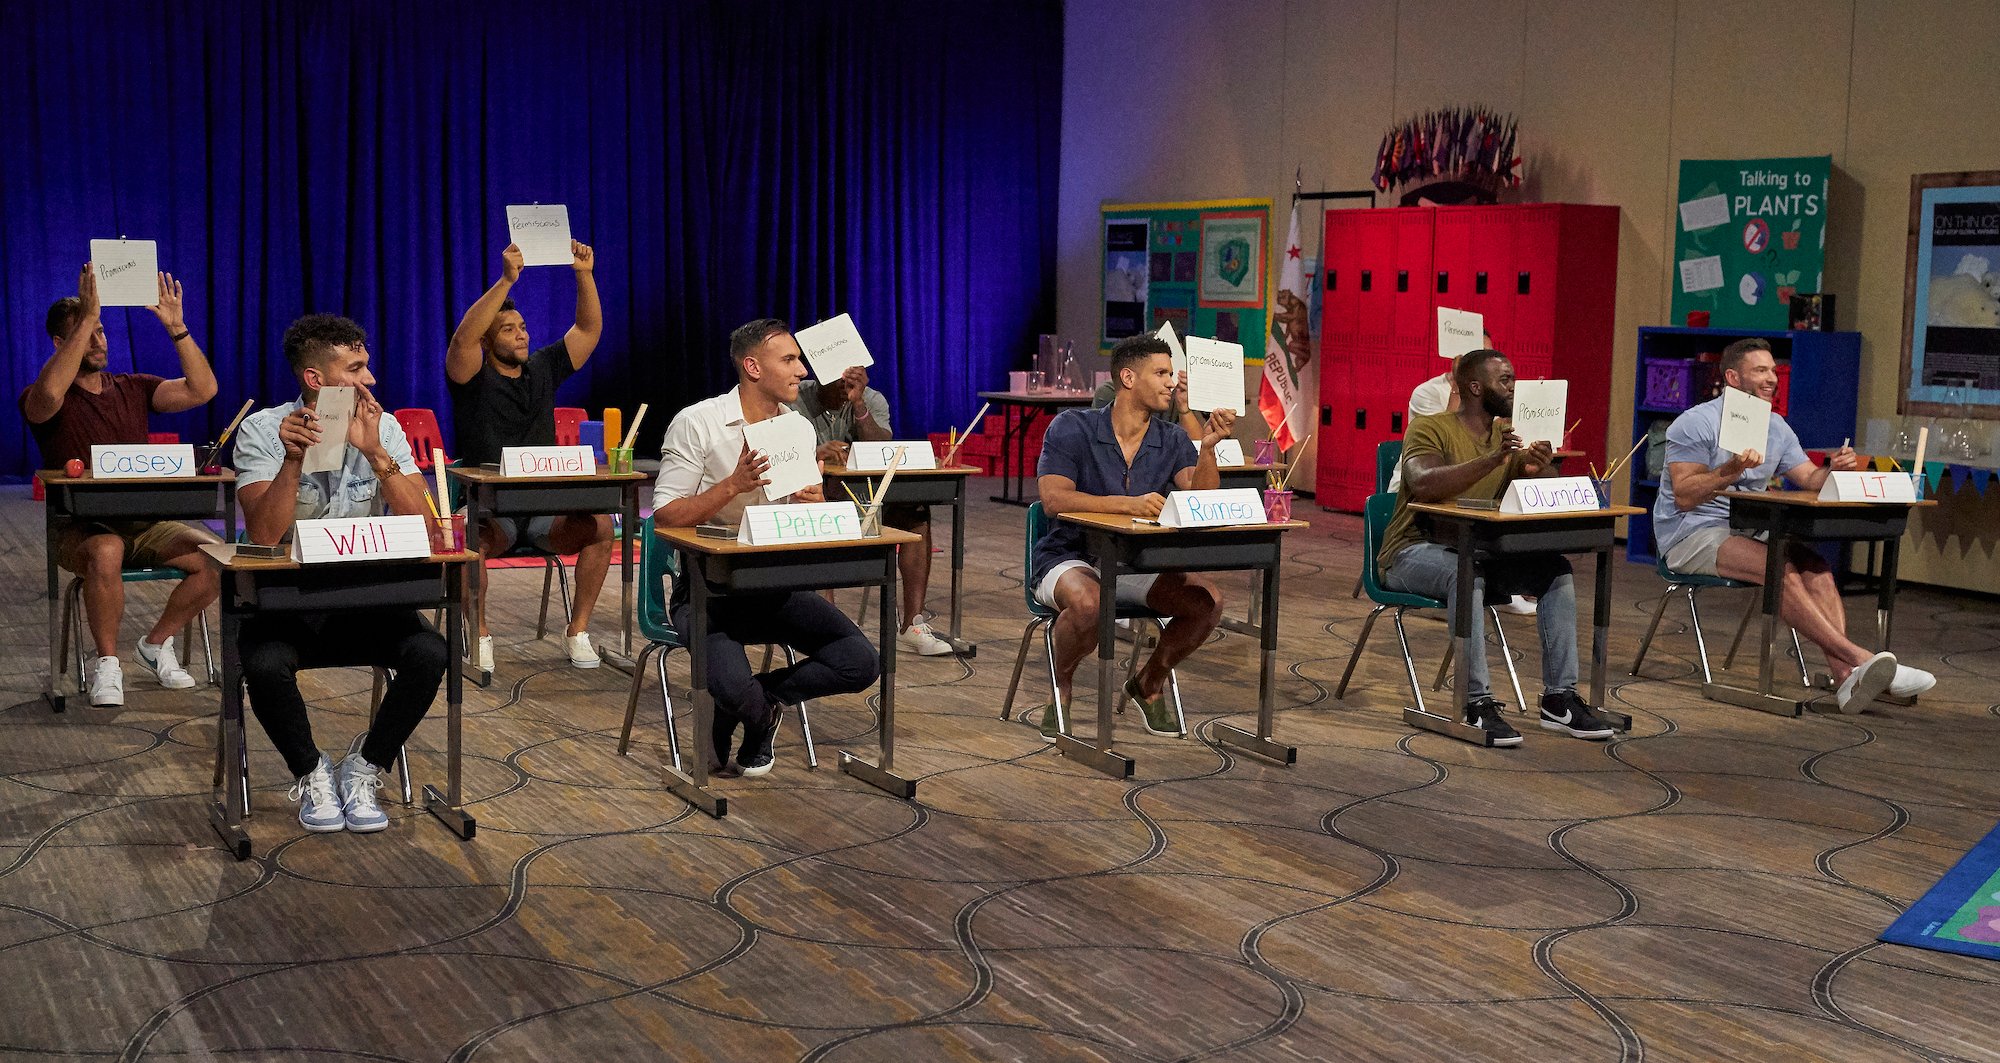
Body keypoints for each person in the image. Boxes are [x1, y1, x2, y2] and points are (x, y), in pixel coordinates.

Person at [232, 314, 448, 833]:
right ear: (315, 379)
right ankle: (312, 772)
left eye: (366, 365)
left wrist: (375, 453)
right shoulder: (262, 430)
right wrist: (291, 462)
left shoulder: (386, 426)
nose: (369, 379)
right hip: (289, 602)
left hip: (367, 597)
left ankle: (365, 766)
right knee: (262, 665)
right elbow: (262, 536)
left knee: (431, 652)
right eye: (355, 368)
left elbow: (427, 526)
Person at [653, 318, 880, 778]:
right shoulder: (699, 422)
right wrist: (731, 486)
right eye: (790, 360)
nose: (802, 370)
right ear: (753, 366)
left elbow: (806, 525)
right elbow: (665, 517)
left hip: (775, 586)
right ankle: (757, 715)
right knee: (736, 691)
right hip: (707, 592)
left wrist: (815, 504)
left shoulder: (796, 427)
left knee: (860, 662)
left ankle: (766, 699)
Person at [1654, 337, 1928, 711]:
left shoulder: (1776, 426)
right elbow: (1684, 494)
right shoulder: (1696, 423)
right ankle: (1861, 657)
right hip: (1691, 532)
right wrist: (1729, 471)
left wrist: (1834, 468)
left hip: (1747, 528)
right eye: (1761, 370)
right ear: (1733, 377)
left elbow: (1810, 478)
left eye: (1773, 370)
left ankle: (1846, 678)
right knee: (1777, 567)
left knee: (1815, 566)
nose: (1772, 378)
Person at [1378, 348, 1618, 746]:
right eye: (1504, 380)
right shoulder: (1432, 428)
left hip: (1478, 548)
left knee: (1555, 570)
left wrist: (1540, 466)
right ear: (1475, 387)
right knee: (1465, 573)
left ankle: (1560, 698)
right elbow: (1423, 483)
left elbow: (1539, 491)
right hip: (1410, 551)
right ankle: (1475, 704)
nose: (1514, 387)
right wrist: (1494, 459)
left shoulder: (1509, 434)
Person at [19, 266, 221, 706]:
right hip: (77, 526)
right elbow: (47, 400)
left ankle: (154, 644)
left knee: (215, 558)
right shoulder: (41, 393)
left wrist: (178, 329)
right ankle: (107, 664)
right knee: (107, 549)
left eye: (101, 330)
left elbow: (203, 389)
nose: (99, 341)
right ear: (60, 343)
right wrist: (88, 315)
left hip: (144, 521)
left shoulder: (133, 387)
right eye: (88, 331)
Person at [1028, 333, 1233, 742]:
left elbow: (1200, 501)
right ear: (1127, 377)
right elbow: (1053, 499)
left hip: (1135, 561)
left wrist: (1208, 448)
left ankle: (1148, 682)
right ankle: (1061, 687)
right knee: (1090, 603)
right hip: (1069, 556)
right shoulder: (1073, 427)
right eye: (1160, 373)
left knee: (1207, 602)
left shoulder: (1172, 438)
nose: (1170, 382)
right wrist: (1127, 504)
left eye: (1171, 373)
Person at [446, 240, 612, 672]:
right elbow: (464, 336)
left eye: (522, 326)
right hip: (491, 514)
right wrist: (506, 280)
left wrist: (583, 274)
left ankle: (577, 631)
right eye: (507, 328)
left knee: (600, 526)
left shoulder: (542, 368)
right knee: (467, 541)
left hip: (543, 513)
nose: (521, 333)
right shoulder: (470, 376)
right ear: (488, 340)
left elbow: (587, 332)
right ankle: (479, 634)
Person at [793, 363, 952, 656]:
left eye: (852, 376)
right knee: (816, 511)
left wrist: (859, 404)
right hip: (813, 491)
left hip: (866, 492)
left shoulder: (872, 399)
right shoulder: (794, 397)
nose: (844, 383)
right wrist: (815, 452)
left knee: (914, 510)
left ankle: (912, 626)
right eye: (837, 379)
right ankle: (824, 633)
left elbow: (880, 446)